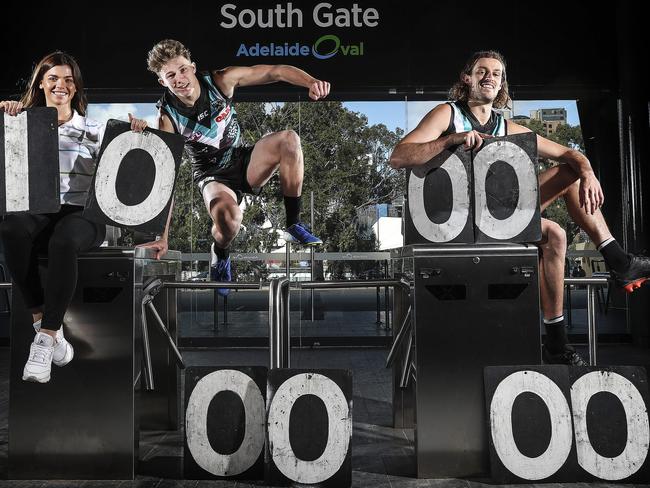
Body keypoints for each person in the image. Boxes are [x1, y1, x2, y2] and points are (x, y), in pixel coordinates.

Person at [389, 50, 650, 366]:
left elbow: (568, 152)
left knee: (564, 198)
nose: (490, 77)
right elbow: (399, 156)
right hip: (455, 221)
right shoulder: (448, 114)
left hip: (497, 216)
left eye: (497, 74)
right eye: (482, 71)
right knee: (553, 231)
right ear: (466, 78)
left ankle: (596, 287)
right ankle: (610, 273)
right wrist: (450, 140)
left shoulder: (505, 125)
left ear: (502, 85)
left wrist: (588, 170)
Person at [138, 39, 329, 295]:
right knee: (230, 220)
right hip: (212, 176)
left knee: (289, 139)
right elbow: (166, 179)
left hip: (243, 160)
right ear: (163, 82)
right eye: (170, 75)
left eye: (182, 70)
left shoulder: (221, 80)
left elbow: (276, 71)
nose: (179, 79)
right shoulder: (167, 117)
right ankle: (221, 250)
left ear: (193, 68)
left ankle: (293, 223)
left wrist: (310, 82)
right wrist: (163, 235)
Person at [0, 51, 146, 383]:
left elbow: (124, 175)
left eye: (68, 80)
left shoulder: (94, 130)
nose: (61, 85)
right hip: (40, 211)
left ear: (76, 88)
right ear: (41, 83)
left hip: (84, 216)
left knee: (63, 240)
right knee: (10, 228)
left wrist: (134, 136)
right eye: (53, 78)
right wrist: (7, 117)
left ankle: (47, 338)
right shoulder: (23, 125)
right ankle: (43, 325)